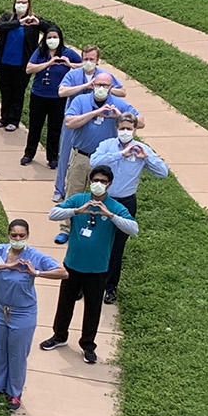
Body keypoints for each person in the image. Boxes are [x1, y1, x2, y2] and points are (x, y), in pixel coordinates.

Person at [42, 166, 139, 365]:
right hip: (72, 265)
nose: (99, 184)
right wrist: (77, 211)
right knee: (65, 303)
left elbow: (133, 228)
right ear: (89, 181)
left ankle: (88, 345)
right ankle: (59, 336)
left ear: (109, 185)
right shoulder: (79, 200)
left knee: (93, 308)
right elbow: (53, 214)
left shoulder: (114, 206)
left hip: (98, 269)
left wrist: (110, 215)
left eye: (103, 181)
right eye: (95, 180)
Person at [0, 220, 67, 410]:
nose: (17, 239)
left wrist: (37, 272)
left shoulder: (34, 256)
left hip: (22, 313)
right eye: (14, 235)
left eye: (21, 236)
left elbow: (63, 273)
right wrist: (6, 266)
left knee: (17, 353)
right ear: (8, 234)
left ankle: (14, 393)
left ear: (27, 236)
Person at [88, 114, 166, 303]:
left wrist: (147, 159)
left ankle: (110, 286)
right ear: (116, 128)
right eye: (122, 128)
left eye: (129, 129)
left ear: (135, 130)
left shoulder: (142, 149)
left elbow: (163, 173)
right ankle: (87, 284)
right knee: (93, 241)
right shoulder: (107, 145)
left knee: (117, 246)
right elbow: (93, 162)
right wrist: (120, 155)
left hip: (125, 202)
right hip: (102, 199)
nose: (125, 132)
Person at [54, 73, 141, 239]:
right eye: (98, 84)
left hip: (105, 160)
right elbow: (69, 122)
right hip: (81, 156)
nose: (101, 88)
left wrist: (119, 117)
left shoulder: (118, 104)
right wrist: (95, 113)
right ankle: (65, 229)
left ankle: (98, 227)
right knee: (73, 192)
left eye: (105, 85)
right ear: (92, 84)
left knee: (102, 194)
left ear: (111, 88)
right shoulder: (81, 101)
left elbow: (141, 121)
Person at [21, 25, 79, 167]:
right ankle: (29, 153)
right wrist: (49, 62)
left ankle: (52, 157)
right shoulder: (40, 52)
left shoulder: (67, 52)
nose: (52, 40)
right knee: (35, 126)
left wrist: (69, 64)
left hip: (58, 98)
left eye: (55, 37)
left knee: (55, 128)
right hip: (39, 95)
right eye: (49, 37)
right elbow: (29, 68)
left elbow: (84, 65)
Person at [0, 0, 50, 133]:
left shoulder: (33, 20)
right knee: (5, 90)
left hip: (22, 64)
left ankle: (14, 120)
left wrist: (38, 23)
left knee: (18, 91)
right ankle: (4, 118)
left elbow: (52, 28)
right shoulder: (8, 17)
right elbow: (0, 26)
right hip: (4, 61)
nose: (21, 5)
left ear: (29, 5)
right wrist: (19, 22)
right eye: (18, 2)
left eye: (24, 2)